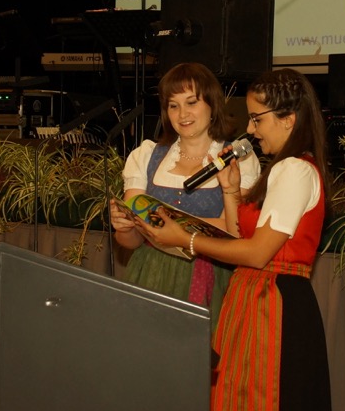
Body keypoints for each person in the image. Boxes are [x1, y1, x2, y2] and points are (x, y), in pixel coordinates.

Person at [135, 68, 335, 411]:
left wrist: (186, 240)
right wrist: (229, 190)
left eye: (258, 119)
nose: (251, 129)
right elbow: (238, 234)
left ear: (289, 119)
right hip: (252, 299)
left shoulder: (296, 170)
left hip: (273, 303)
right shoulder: (280, 169)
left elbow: (258, 253)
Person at [109, 62, 260, 321]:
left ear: (212, 104)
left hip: (209, 275)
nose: (182, 114)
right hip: (150, 274)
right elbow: (132, 241)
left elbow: (235, 230)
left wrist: (171, 229)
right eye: (173, 105)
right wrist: (124, 227)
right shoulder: (146, 156)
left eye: (191, 102)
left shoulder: (238, 159)